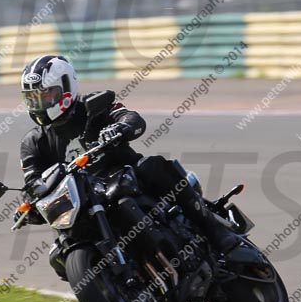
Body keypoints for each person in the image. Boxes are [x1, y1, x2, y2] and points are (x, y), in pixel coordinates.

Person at [16, 54, 257, 261]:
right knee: (60, 252)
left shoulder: (94, 106)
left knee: (152, 166)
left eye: (45, 95)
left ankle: (214, 229)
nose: (39, 102)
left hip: (128, 178)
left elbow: (131, 118)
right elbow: (33, 182)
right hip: (86, 202)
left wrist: (120, 128)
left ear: (66, 88)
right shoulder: (33, 143)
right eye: (33, 97)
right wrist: (28, 204)